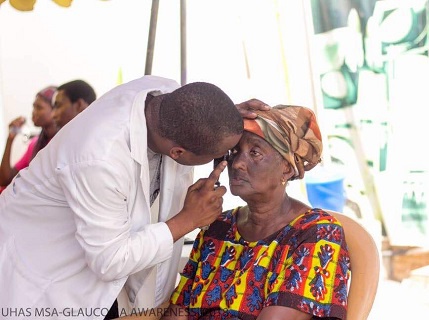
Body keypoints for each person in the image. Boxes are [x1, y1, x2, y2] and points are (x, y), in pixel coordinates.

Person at [0, 75, 269, 320]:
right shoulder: (100, 158)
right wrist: (186, 221)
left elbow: (194, 113)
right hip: (43, 276)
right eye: (220, 154)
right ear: (177, 153)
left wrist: (219, 120)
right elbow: (109, 260)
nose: (234, 162)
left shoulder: (163, 95)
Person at [161, 105, 351, 320]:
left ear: (287, 169)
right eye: (234, 152)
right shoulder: (219, 226)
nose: (238, 164)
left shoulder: (316, 233)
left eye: (255, 153)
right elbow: (179, 309)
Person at [0, 85, 57, 193]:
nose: (33, 112)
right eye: (34, 107)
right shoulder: (35, 144)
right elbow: (5, 180)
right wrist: (10, 139)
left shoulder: (57, 144)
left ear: (55, 110)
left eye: (39, 108)